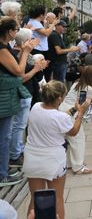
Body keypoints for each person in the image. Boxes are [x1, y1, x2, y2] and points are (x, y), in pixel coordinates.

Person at [23, 80, 90, 219]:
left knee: (35, 199)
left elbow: (59, 116)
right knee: (57, 198)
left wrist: (74, 109)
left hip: (32, 159)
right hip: (53, 161)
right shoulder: (60, 117)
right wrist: (80, 113)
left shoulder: (35, 107)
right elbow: (73, 131)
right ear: (59, 98)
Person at [0, 18, 38, 187]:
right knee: (4, 136)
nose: (17, 32)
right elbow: (19, 71)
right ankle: (2, 175)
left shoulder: (5, 47)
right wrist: (26, 52)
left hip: (6, 98)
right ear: (9, 32)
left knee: (6, 135)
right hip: (4, 98)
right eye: (16, 29)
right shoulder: (1, 49)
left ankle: (4, 169)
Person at [60, 66, 92, 175]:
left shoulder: (77, 83)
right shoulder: (88, 88)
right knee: (78, 139)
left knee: (70, 140)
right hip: (72, 113)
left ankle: (70, 163)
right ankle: (78, 167)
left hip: (64, 110)